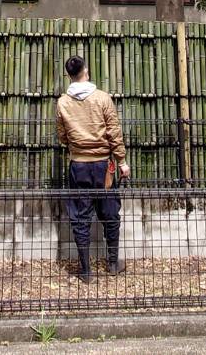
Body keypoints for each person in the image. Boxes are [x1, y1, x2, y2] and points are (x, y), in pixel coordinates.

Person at [55, 55, 130, 282]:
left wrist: (76, 144)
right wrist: (122, 161)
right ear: (86, 71)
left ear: (69, 75)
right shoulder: (102, 98)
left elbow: (62, 136)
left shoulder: (63, 102)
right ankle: (113, 263)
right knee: (110, 213)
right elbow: (114, 133)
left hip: (78, 165)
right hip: (103, 165)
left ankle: (86, 270)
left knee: (80, 216)